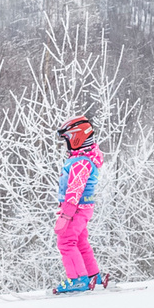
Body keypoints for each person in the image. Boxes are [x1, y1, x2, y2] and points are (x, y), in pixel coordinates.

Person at [52, 115, 108, 295]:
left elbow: (74, 190)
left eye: (67, 139)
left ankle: (78, 279)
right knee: (81, 242)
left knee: (66, 243)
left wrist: (65, 216)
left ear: (76, 138)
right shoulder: (83, 159)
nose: (65, 144)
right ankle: (93, 277)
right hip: (83, 209)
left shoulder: (80, 162)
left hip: (75, 209)